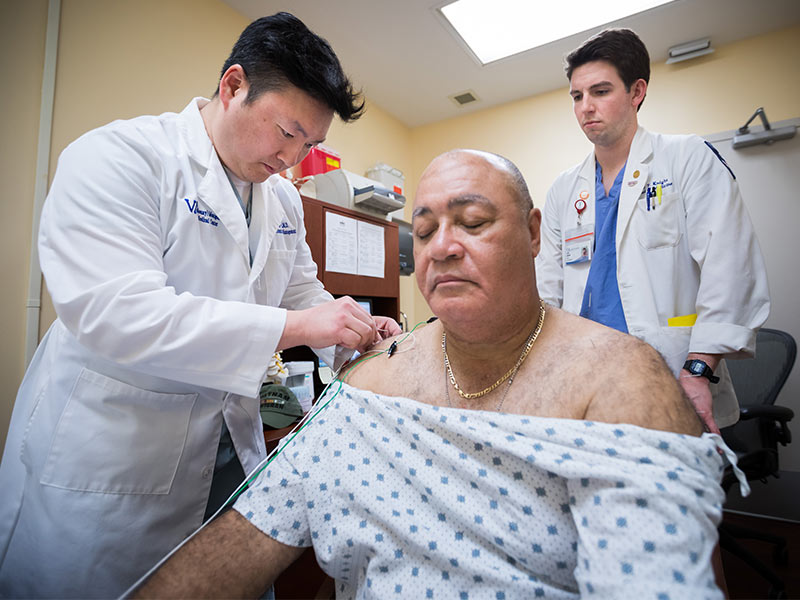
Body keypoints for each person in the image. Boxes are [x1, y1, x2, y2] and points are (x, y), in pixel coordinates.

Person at [131, 150, 744, 599]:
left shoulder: (619, 378)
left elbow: (656, 582)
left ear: (533, 234)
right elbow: (249, 532)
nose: (440, 247)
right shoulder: (373, 385)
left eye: (473, 223)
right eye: (422, 232)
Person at [0, 12, 400, 599]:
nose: (293, 158)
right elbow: (118, 312)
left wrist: (349, 324)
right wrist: (296, 325)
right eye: (287, 133)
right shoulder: (123, 156)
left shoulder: (281, 201)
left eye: (310, 145)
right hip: (114, 459)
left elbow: (300, 292)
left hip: (227, 449)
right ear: (233, 86)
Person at [536, 28, 770, 436]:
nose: (586, 107)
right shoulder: (563, 191)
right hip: (585, 380)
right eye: (577, 96)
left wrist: (699, 369)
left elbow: (730, 266)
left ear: (636, 91)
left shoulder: (686, 158)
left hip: (673, 371)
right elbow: (546, 293)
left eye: (600, 91)